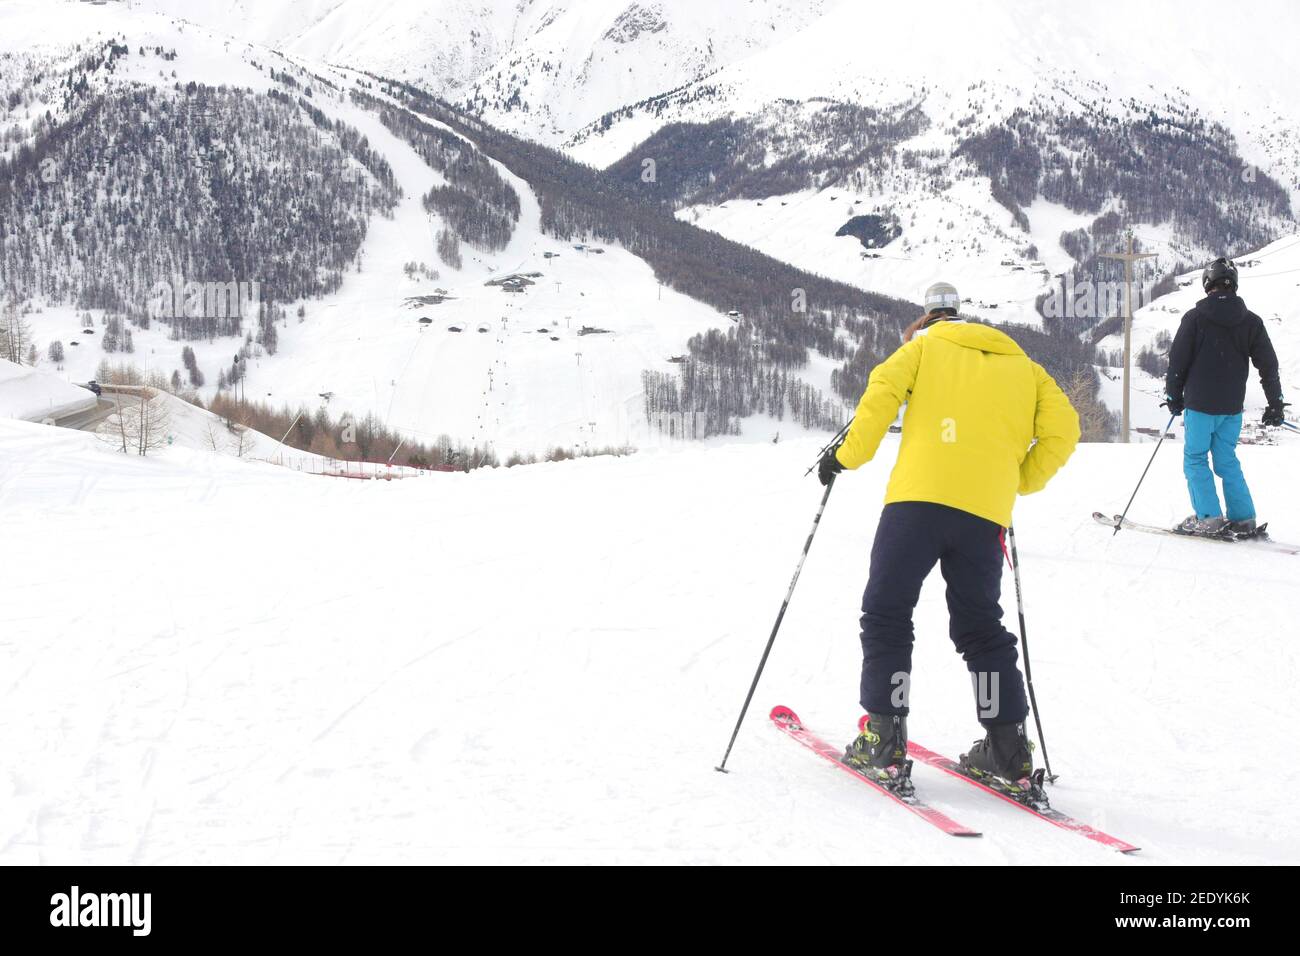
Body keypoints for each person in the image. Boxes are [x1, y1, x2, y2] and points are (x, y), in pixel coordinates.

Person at [817, 281, 1080, 785]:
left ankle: (884, 737)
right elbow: (1064, 428)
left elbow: (880, 393)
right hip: (984, 516)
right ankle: (1007, 748)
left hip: (916, 505)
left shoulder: (920, 348)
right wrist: (1020, 478)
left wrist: (844, 457)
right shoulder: (1026, 368)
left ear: (925, 322)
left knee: (888, 613)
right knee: (981, 629)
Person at [1164, 257, 1287, 536]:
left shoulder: (1194, 318)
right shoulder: (1251, 322)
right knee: (1226, 459)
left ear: (1208, 283)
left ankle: (1208, 517)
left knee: (1195, 459)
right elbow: (1268, 365)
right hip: (1231, 408)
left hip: (1200, 406)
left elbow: (1178, 361)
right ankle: (1243, 517)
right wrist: (1275, 403)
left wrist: (1173, 395)